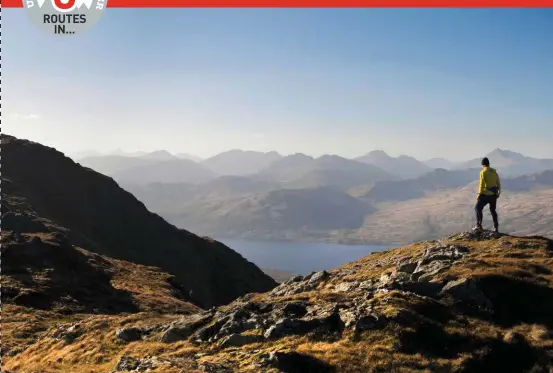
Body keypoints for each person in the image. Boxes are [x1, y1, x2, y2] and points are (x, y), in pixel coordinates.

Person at [474, 157, 501, 232]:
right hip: (494, 195)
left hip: (485, 194)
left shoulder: (483, 172)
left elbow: (481, 184)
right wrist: (498, 192)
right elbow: (498, 183)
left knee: (477, 208)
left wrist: (479, 194)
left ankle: (479, 226)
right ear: (489, 164)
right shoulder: (494, 172)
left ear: (482, 165)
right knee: (493, 210)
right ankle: (496, 227)